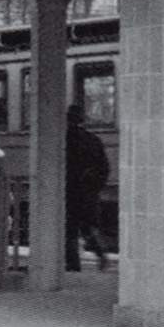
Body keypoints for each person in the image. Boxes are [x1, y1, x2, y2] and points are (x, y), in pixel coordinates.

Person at [65, 105, 110, 271]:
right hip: (88, 193)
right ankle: (101, 254)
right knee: (88, 227)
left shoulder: (64, 139)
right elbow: (104, 168)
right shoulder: (93, 140)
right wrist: (94, 187)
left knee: (69, 230)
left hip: (68, 191)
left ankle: (73, 265)